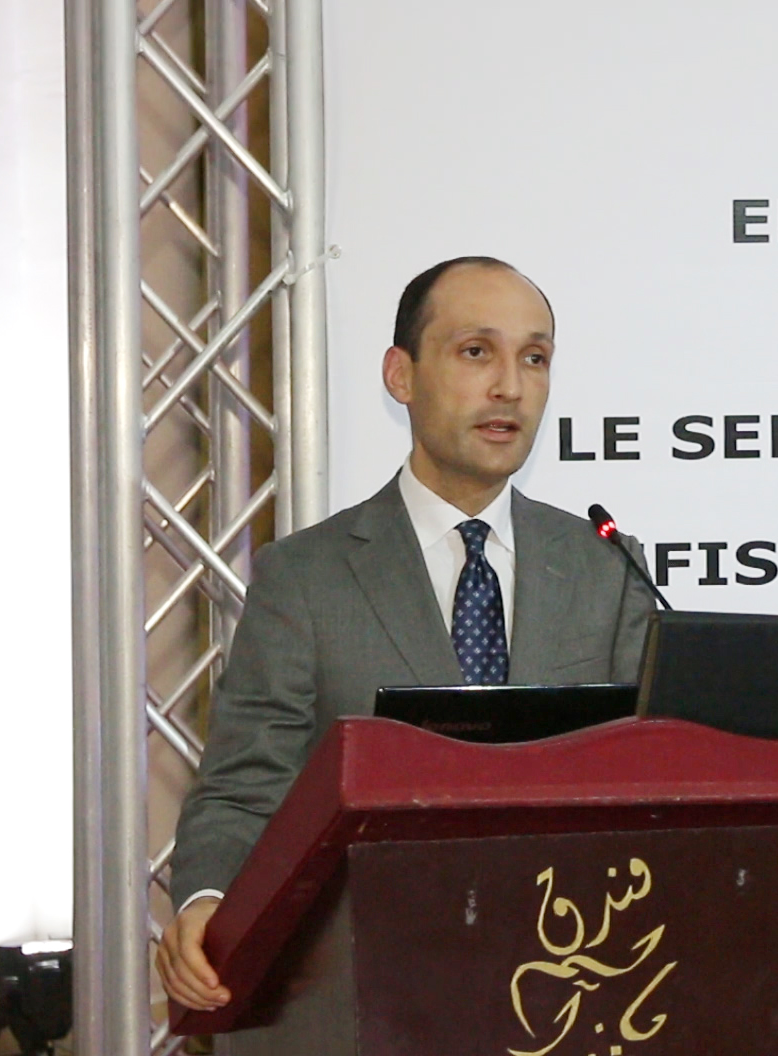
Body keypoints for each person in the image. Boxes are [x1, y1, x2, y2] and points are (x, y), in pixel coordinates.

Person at [156, 256, 656, 1011]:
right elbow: (244, 789)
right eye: (476, 352)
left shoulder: (605, 567)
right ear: (401, 375)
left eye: (535, 358)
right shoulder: (306, 577)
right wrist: (208, 902)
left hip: (569, 984)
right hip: (367, 983)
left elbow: (651, 783)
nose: (510, 387)